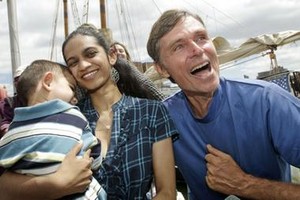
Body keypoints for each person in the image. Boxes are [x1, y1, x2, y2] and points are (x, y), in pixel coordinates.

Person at [0, 24, 178, 200]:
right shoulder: (64, 119)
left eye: (90, 54)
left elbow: (167, 193)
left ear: (111, 56)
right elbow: (5, 186)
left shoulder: (152, 111)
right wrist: (56, 182)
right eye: (73, 62)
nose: (83, 65)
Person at [147, 9, 300, 200]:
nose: (197, 49)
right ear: (161, 69)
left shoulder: (267, 101)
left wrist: (245, 184)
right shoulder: (161, 118)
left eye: (201, 38)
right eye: (179, 47)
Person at [0, 59, 106, 200]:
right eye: (71, 88)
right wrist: (97, 160)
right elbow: (93, 150)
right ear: (48, 82)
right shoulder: (73, 116)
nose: (75, 99)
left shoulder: (12, 131)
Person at [0, 65, 28, 137]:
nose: (19, 83)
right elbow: (6, 121)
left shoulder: (43, 100)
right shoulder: (9, 103)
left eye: (23, 79)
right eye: (17, 80)